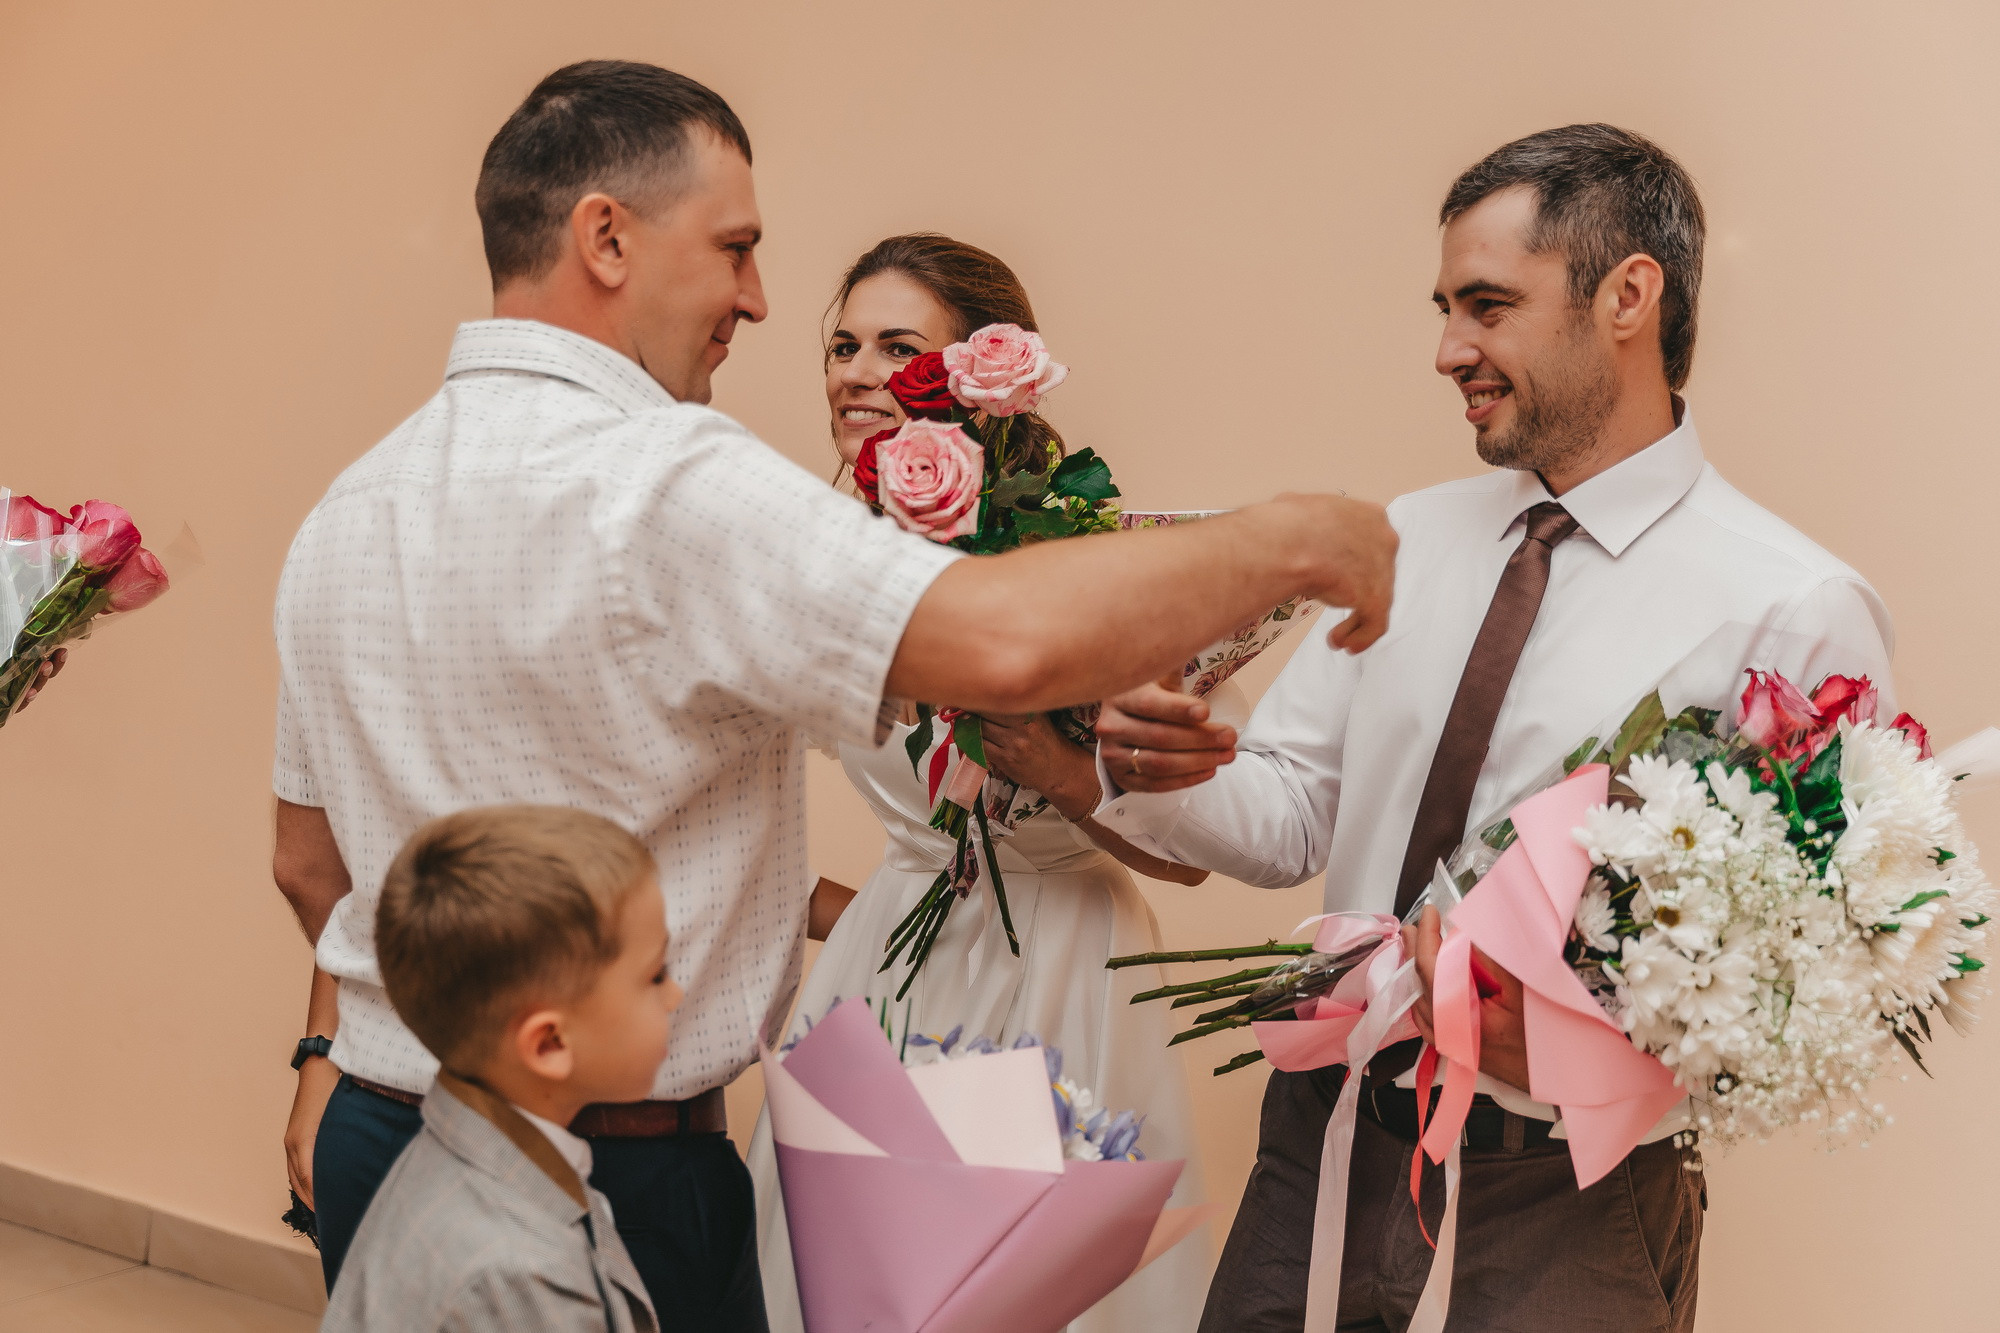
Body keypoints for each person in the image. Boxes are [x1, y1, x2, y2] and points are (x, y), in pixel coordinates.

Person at [271, 60, 1396, 1330]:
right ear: (606, 238)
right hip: (606, 1164)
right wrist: (1291, 538)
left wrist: (321, 1051)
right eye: (734, 247)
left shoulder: (345, 509)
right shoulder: (674, 484)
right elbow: (999, 642)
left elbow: (311, 865)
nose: (756, 298)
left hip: (383, 1131)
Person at [1093, 124, 1896, 1332]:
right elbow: (1288, 817)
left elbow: (1815, 988)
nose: (1446, 351)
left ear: (1626, 296)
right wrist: (1146, 757)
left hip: (1561, 1200)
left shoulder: (1792, 607)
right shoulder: (1406, 537)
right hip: (1321, 1143)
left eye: (1486, 306)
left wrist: (1578, 1051)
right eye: (1444, 309)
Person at [745, 234, 1218, 1333]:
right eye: (843, 346)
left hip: (1068, 964)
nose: (857, 372)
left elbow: (1189, 860)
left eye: (896, 346)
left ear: (975, 375)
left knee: (1048, 1290)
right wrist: (854, 908)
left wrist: (1056, 770)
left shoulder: (1076, 561)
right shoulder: (821, 569)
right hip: (884, 967)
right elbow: (727, 791)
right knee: (846, 1278)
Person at [322, 805, 672, 1333]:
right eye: (656, 976)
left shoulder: (468, 1156)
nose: (676, 995)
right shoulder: (521, 1271)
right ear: (550, 1044)